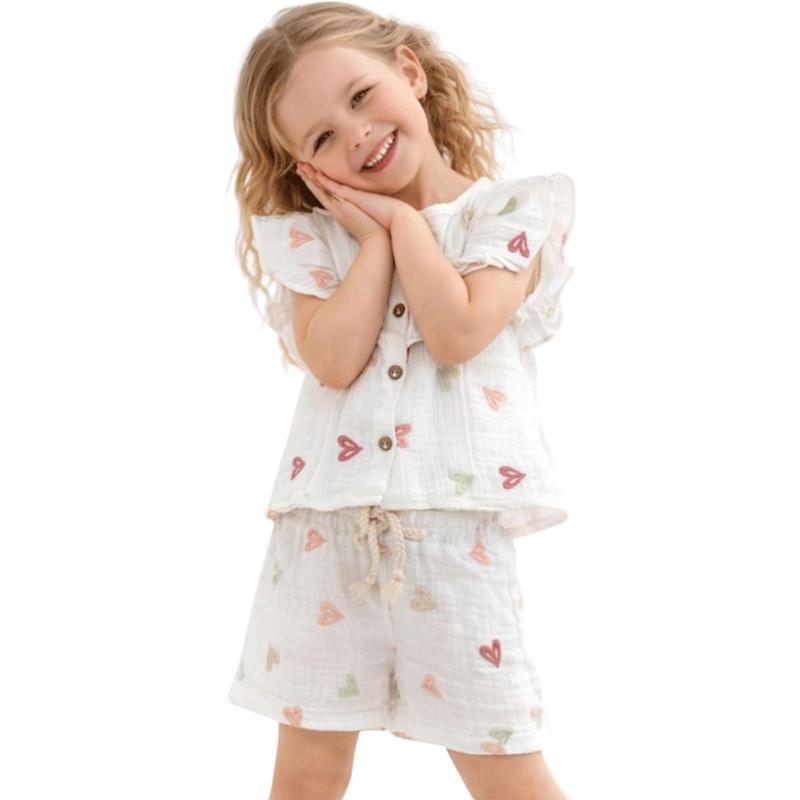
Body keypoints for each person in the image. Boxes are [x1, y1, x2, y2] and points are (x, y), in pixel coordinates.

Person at [226, 4, 575, 799]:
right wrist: (375, 241)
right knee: (307, 773)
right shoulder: (319, 241)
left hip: (455, 544)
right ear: (305, 168)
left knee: (505, 768)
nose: (355, 135)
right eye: (321, 138)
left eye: (360, 96)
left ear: (410, 72)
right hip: (323, 540)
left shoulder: (509, 212)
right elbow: (334, 359)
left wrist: (402, 225)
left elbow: (457, 331)